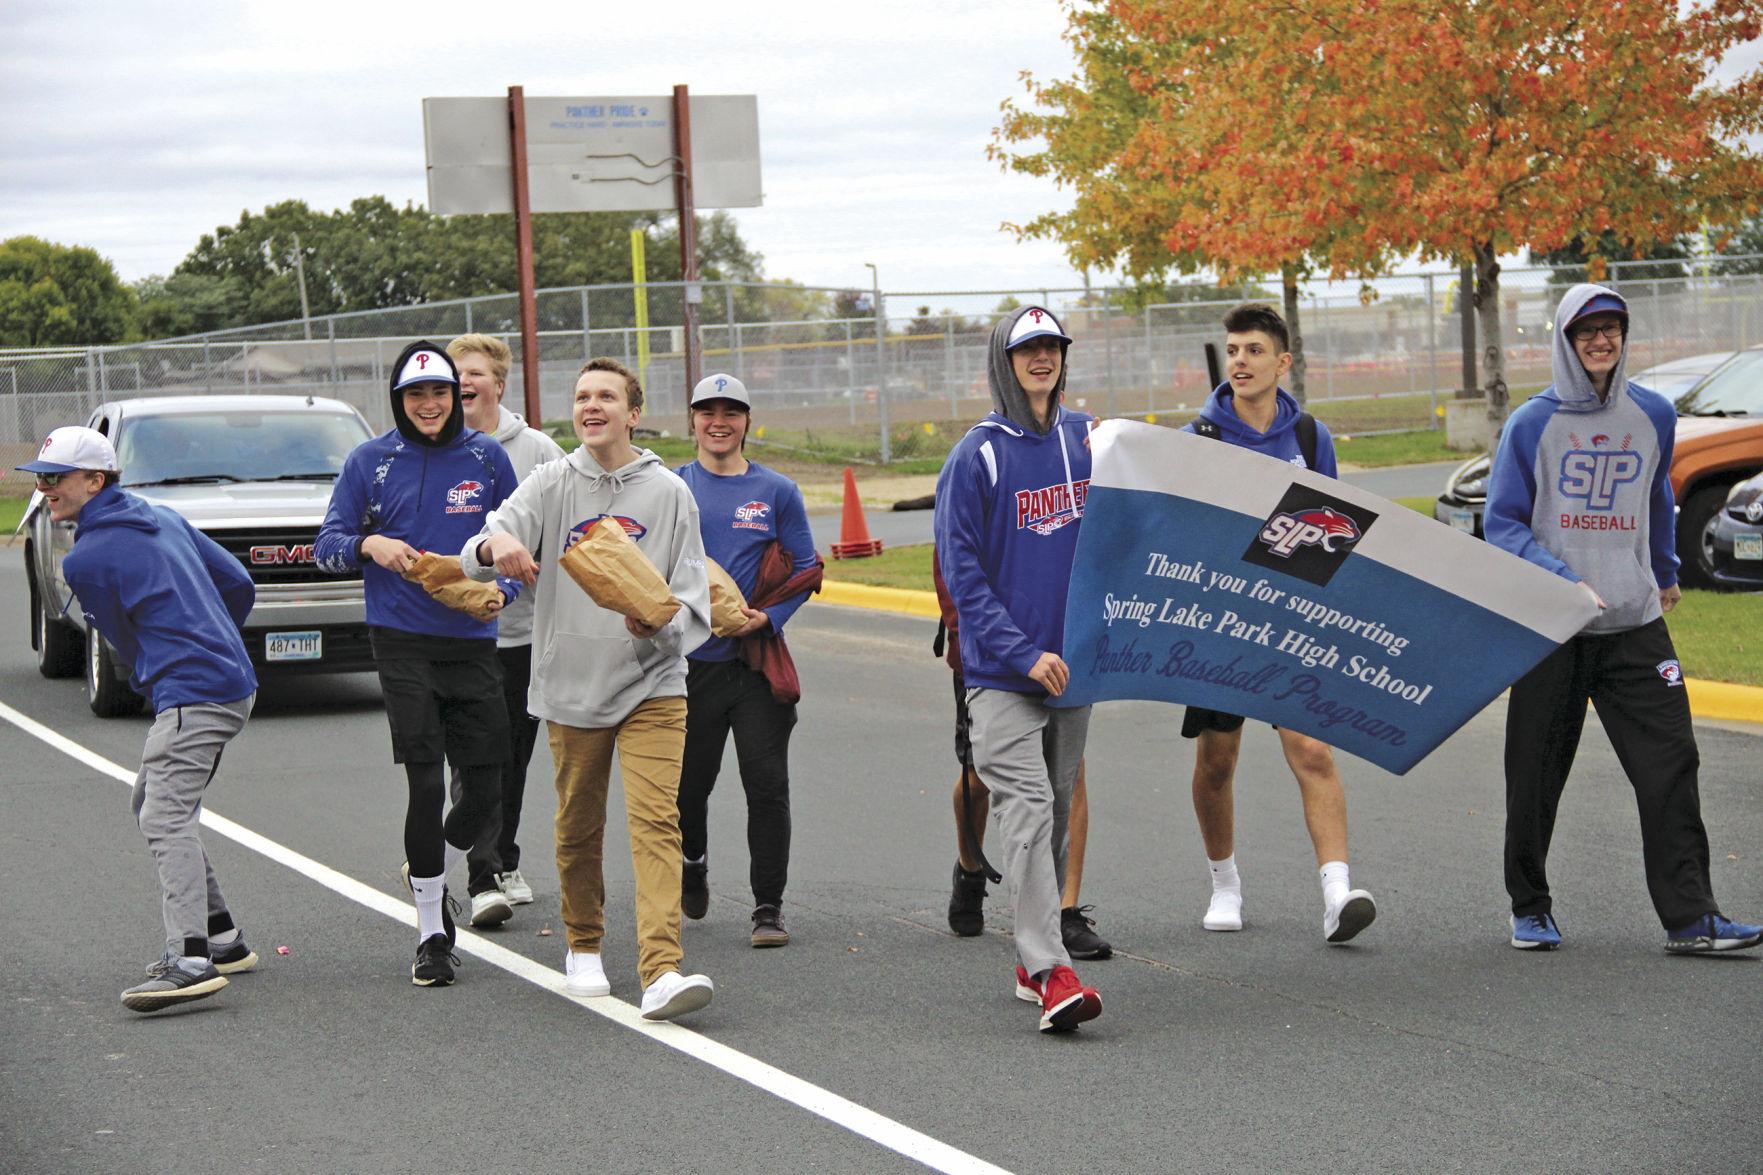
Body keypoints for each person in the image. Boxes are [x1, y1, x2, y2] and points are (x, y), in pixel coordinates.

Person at [1486, 284, 1761, 955]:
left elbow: (1657, 498)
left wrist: (1663, 572)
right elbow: (1500, 523)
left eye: (1611, 329)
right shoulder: (1531, 423)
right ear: (1563, 340)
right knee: (1534, 776)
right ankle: (1529, 905)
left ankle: (1691, 917)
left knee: (1670, 762)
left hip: (1634, 625)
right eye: (1587, 332)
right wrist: (1563, 581)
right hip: (1555, 625)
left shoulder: (1653, 414)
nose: (1600, 341)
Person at [464, 357, 717, 1020]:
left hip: (652, 683)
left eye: (606, 395)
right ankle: (583, 945)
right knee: (578, 823)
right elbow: (482, 540)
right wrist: (498, 548)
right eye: (581, 396)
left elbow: (694, 601)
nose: (591, 405)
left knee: (657, 821)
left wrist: (655, 626)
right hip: (571, 684)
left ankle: (661, 969)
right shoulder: (551, 482)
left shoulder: (669, 494)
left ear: (633, 412)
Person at [21, 426, 259, 1012]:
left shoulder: (88, 559)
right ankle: (223, 939)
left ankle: (190, 959)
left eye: (56, 477)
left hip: (192, 693)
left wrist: (171, 664)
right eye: (41, 477)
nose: (45, 488)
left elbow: (121, 643)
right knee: (151, 802)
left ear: (94, 481)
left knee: (164, 816)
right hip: (227, 681)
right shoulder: (162, 515)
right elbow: (237, 581)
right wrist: (215, 638)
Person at [315, 341, 520, 988]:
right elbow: (326, 547)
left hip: (471, 639)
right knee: (426, 781)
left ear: (456, 397)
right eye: (415, 395)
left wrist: (501, 592)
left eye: (440, 393)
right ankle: (433, 930)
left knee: (489, 784)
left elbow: (519, 543)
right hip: (399, 638)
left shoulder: (487, 458)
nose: (429, 405)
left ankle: (427, 858)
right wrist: (367, 543)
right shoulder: (368, 462)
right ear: (399, 401)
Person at [1178, 303, 1378, 944]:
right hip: (1220, 624)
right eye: (1234, 350)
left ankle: (1337, 893)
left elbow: (1337, 535)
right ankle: (1225, 884)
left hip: (1291, 621)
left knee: (1314, 750)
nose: (1241, 361)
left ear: (1282, 362)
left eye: (1255, 351)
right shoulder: (1198, 439)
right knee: (1217, 761)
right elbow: (1185, 535)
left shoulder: (1312, 439)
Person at [934, 305, 1102, 1034]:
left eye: (1051, 347)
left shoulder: (1086, 438)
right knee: (1028, 809)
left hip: (1073, 668)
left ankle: (1031, 960)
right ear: (1002, 361)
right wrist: (1019, 651)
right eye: (1026, 348)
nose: (1041, 359)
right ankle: (1048, 967)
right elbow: (961, 574)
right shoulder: (977, 454)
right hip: (1002, 673)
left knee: (1056, 813)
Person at [674, 373, 821, 947]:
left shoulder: (777, 491)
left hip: (754, 666)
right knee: (689, 789)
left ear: (746, 422)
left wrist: (770, 618)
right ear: (692, 422)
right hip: (689, 667)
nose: (718, 421)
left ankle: (768, 907)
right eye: (707, 411)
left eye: (730, 412)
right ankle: (692, 861)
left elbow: (807, 570)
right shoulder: (672, 486)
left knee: (766, 786)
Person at [935, 554, 1111, 958]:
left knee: (1067, 779)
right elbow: (958, 581)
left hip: (1063, 658)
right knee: (979, 779)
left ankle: (1063, 911)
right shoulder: (973, 494)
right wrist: (1004, 649)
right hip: (990, 662)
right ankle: (970, 870)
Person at [447, 333, 566, 928]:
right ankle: (483, 861)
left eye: (473, 372)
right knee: (473, 753)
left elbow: (559, 530)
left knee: (512, 754)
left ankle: (501, 856)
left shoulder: (538, 449)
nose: (462, 381)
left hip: (521, 634)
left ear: (497, 383)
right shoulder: (435, 447)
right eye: (454, 372)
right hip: (454, 635)